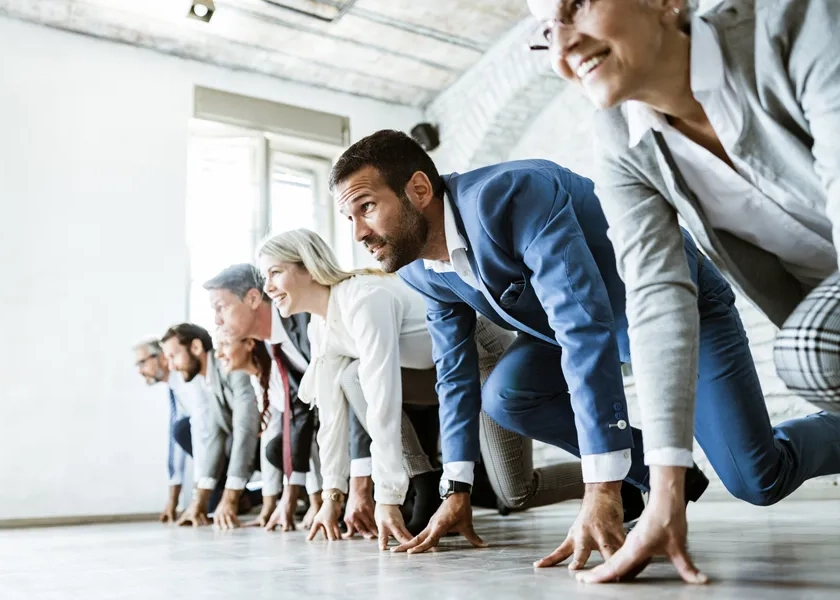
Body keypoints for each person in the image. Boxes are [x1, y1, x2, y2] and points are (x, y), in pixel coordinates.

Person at [331, 128, 840, 569]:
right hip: (566, 330)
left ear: (419, 188)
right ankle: (667, 475)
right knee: (506, 395)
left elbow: (583, 324)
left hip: (674, 308)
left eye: (367, 207)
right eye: (349, 217)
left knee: (758, 479)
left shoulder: (510, 194)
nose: (358, 234)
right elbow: (455, 372)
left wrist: (601, 487)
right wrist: (457, 488)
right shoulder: (421, 269)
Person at [527, 0, 840, 584]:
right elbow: (656, 295)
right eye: (546, 29)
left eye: (576, 6)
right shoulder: (620, 135)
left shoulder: (795, 23)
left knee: (811, 351)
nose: (563, 41)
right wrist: (666, 490)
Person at [257, 228, 590, 549]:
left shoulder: (363, 298)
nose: (268, 287)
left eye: (275, 273)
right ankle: (425, 481)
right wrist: (332, 495)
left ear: (309, 267)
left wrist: (386, 498)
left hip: (483, 357)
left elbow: (383, 399)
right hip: (438, 375)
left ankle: (615, 480)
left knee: (516, 492)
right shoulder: (321, 326)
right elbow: (331, 421)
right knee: (350, 377)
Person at [213, 327, 324, 531]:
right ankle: (306, 501)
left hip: (328, 440)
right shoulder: (258, 377)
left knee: (290, 442)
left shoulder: (277, 370)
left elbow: (306, 434)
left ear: (249, 344)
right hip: (308, 440)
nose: (219, 354)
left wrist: (318, 502)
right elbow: (270, 432)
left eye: (225, 345)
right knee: (273, 447)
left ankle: (320, 501)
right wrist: (268, 507)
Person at [160, 323, 261, 530]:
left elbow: (244, 429)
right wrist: (199, 499)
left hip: (268, 440)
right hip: (248, 446)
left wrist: (230, 497)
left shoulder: (231, 364)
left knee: (233, 438)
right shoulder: (208, 379)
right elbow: (215, 437)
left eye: (173, 356)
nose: (171, 366)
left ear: (196, 348)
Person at [132, 338, 215, 522]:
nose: (139, 371)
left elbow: (201, 434)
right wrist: (173, 501)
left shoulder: (187, 380)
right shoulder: (174, 388)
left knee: (182, 429)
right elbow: (175, 448)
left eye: (142, 362)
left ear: (161, 358)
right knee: (179, 430)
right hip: (213, 448)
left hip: (222, 442)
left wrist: (199, 492)